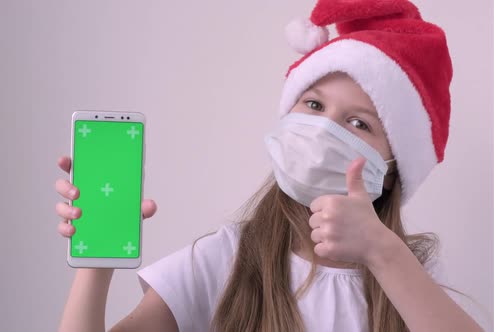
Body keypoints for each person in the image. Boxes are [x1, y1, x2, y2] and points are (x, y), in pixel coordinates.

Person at [55, 0, 483, 331]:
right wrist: (98, 262)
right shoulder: (224, 259)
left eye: (358, 123)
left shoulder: (412, 271)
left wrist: (382, 251)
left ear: (391, 168)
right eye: (313, 104)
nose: (323, 131)